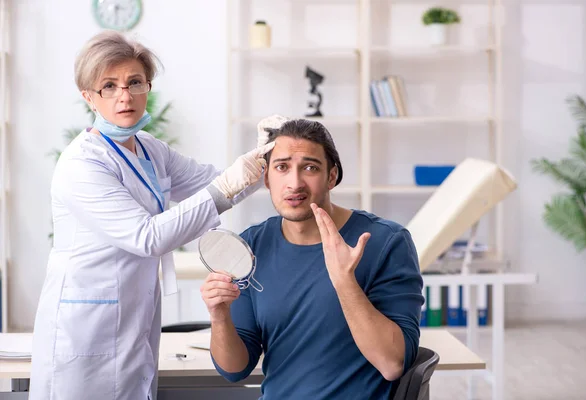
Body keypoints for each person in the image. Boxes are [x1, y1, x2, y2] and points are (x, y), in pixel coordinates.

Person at [29, 30, 275, 400]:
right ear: (89, 97)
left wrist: (267, 158)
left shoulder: (150, 150)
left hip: (133, 322)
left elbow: (212, 183)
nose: (124, 96)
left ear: (148, 87)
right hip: (85, 329)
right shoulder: (81, 164)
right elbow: (149, 237)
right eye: (108, 86)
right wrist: (228, 184)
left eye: (134, 82)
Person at [201, 117, 425, 399]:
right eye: (282, 167)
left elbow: (392, 364)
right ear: (267, 178)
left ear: (332, 176)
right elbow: (235, 369)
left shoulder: (386, 242)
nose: (295, 183)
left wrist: (344, 282)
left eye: (310, 167)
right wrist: (219, 316)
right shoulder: (252, 245)